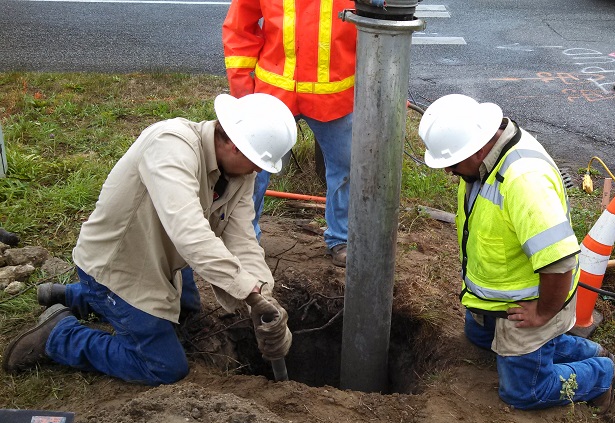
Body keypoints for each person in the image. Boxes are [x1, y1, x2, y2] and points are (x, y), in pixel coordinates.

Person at [2, 93, 295, 386]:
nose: (258, 171)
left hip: (163, 259)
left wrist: (263, 295)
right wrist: (247, 291)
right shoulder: (170, 147)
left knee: (188, 315)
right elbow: (190, 233)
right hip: (119, 267)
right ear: (234, 144)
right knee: (163, 367)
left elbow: (241, 237)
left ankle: (73, 297)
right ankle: (59, 335)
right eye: (257, 162)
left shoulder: (240, 173)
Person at [418, 94, 615, 412]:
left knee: (524, 392)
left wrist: (543, 312)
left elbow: (559, 262)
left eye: (452, 164)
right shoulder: (482, 163)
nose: (449, 172)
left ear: (478, 148)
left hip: (533, 302)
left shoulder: (525, 181)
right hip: (494, 301)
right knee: (479, 339)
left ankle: (602, 373)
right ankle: (580, 349)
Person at [222, 0, 356, 267]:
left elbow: (380, 24)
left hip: (334, 95)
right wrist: (242, 89)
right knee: (250, 168)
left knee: (348, 169)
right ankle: (244, 239)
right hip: (274, 93)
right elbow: (240, 26)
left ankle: (342, 238)